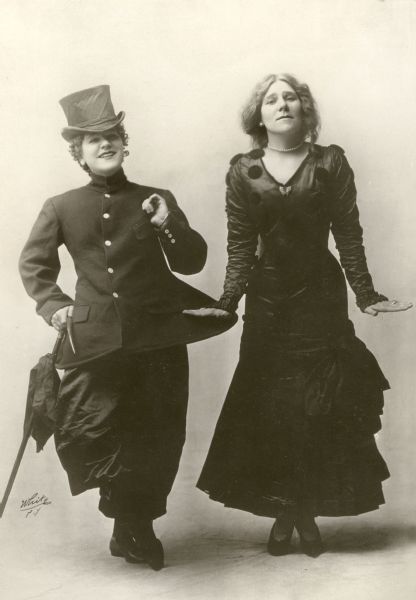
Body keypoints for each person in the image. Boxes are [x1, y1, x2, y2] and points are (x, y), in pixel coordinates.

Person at [185, 73, 412, 557]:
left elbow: (348, 231)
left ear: (305, 110)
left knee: (318, 410)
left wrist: (366, 293)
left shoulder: (330, 162)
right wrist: (227, 304)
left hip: (320, 302)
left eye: (291, 97)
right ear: (259, 115)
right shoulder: (242, 170)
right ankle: (286, 510)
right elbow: (241, 245)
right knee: (272, 410)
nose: (283, 104)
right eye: (272, 98)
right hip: (267, 305)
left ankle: (303, 511)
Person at [19, 85, 235, 570]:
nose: (105, 144)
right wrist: (54, 307)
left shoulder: (156, 198)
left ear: (124, 141)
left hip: (157, 337)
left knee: (157, 435)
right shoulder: (61, 205)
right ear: (78, 151)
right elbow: (34, 267)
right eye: (93, 140)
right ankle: (123, 520)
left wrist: (166, 224)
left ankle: (135, 528)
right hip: (94, 341)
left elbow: (192, 261)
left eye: (113, 134)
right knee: (96, 434)